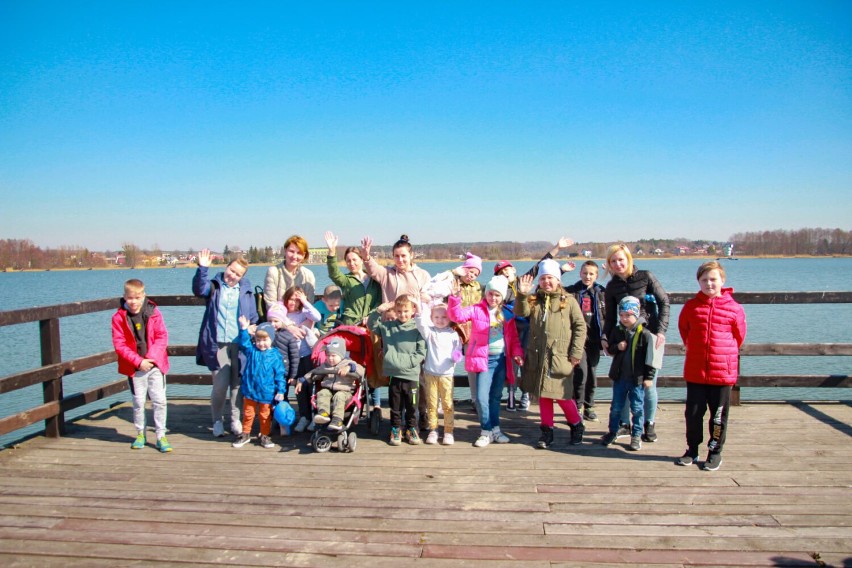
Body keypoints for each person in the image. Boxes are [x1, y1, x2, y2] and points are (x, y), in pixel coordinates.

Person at [676, 261, 747, 471]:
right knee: (693, 414)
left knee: (718, 416)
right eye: (704, 279)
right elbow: (685, 332)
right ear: (698, 281)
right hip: (696, 371)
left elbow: (739, 336)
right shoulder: (691, 307)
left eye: (713, 279)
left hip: (722, 373)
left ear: (722, 281)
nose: (709, 283)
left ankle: (715, 451)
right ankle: (692, 449)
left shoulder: (734, 308)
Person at [514, 261, 587, 449]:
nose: (546, 282)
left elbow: (580, 327)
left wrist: (576, 352)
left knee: (563, 395)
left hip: (560, 356)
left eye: (550, 278)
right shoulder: (533, 300)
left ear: (558, 280)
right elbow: (520, 312)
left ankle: (576, 425)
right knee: (543, 395)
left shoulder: (568, 300)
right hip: (538, 356)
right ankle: (547, 432)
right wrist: (522, 294)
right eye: (543, 278)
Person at [361, 234, 431, 430]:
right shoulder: (388, 275)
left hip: (414, 331)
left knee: (418, 376)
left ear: (411, 255)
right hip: (391, 332)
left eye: (403, 256)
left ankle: (421, 413)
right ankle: (397, 420)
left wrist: (415, 299)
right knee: (396, 378)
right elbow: (373, 269)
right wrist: (366, 257)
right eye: (396, 256)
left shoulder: (422, 275)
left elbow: (428, 296)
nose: (400, 260)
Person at [500, 237, 577, 412]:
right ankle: (511, 394)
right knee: (510, 365)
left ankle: (525, 395)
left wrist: (558, 250)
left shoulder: (523, 282)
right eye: (501, 272)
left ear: (514, 270)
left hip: (527, 329)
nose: (505, 274)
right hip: (509, 332)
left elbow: (543, 271)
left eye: (508, 270)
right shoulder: (497, 288)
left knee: (527, 362)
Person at [603, 243, 669, 443]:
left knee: (648, 383)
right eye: (613, 261)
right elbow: (610, 316)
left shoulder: (645, 277)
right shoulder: (612, 286)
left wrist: (661, 331)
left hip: (649, 336)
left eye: (621, 259)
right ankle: (624, 424)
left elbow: (664, 301)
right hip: (625, 338)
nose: (618, 264)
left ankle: (648, 423)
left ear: (629, 259)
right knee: (622, 381)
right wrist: (606, 337)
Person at [449, 275, 523, 448]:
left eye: (497, 295)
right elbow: (456, 315)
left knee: (495, 397)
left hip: (501, 361)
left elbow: (514, 339)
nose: (493, 298)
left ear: (502, 296)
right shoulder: (476, 310)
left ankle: (495, 430)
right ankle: (485, 431)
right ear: (485, 293)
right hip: (483, 361)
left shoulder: (507, 313)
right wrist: (454, 298)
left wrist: (518, 353)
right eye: (490, 294)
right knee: (481, 398)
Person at [193, 249, 258, 438]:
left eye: (238, 274)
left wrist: (252, 326)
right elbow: (199, 289)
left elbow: (253, 316)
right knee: (220, 385)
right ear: (226, 267)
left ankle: (235, 419)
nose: (233, 276)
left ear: (242, 277)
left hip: (239, 345)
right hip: (219, 344)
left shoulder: (246, 290)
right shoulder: (214, 286)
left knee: (237, 385)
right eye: (232, 270)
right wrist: (203, 268)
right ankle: (217, 420)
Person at [324, 231, 384, 412]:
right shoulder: (347, 280)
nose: (352, 263)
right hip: (351, 327)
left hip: (371, 327)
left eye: (355, 259)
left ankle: (376, 403)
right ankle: (351, 398)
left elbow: (379, 302)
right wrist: (332, 252)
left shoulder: (374, 279)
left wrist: (372, 315)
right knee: (353, 362)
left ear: (361, 259)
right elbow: (334, 274)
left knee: (373, 364)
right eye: (348, 260)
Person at [111, 278, 172, 453]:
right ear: (124, 297)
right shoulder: (118, 317)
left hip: (155, 365)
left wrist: (151, 359)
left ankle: (161, 435)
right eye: (130, 298)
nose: (134, 302)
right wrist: (139, 361)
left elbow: (162, 337)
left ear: (143, 296)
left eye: (137, 298)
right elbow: (119, 344)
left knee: (159, 401)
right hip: (134, 367)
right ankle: (140, 433)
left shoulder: (154, 312)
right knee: (138, 402)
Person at [600, 296, 659, 451]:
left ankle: (636, 436)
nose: (624, 318)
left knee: (637, 409)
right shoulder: (617, 331)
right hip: (619, 378)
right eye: (622, 315)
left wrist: (649, 377)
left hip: (637, 379)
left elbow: (651, 359)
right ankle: (613, 431)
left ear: (636, 315)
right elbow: (610, 349)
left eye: (628, 315)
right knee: (616, 407)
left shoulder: (645, 334)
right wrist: (616, 347)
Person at [367, 295, 426, 446]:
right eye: (399, 311)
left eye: (406, 311)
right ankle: (396, 428)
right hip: (394, 375)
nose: (403, 314)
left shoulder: (417, 327)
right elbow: (371, 324)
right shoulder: (388, 327)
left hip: (412, 375)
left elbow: (421, 352)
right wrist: (379, 310)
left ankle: (412, 428)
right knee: (396, 405)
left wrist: (407, 363)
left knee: (412, 405)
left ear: (412, 310)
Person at [232, 318, 286, 449]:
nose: (261, 344)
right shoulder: (252, 351)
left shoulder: (275, 355)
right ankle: (245, 434)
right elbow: (244, 343)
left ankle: (265, 435)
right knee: (248, 413)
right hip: (250, 389)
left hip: (267, 391)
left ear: (271, 339)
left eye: (265, 340)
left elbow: (280, 375)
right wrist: (244, 329)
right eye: (258, 340)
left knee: (265, 415)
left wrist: (281, 391)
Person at [415, 301, 463, 445]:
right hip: (430, 373)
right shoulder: (429, 332)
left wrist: (457, 356)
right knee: (432, 403)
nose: (440, 320)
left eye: (444, 317)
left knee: (448, 403)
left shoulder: (454, 334)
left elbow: (458, 351)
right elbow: (420, 324)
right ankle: (433, 429)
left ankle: (448, 431)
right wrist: (418, 309)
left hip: (447, 375)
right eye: (436, 317)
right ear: (431, 317)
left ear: (450, 318)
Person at [563, 260, 606, 421]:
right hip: (577, 340)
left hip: (595, 340)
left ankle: (589, 406)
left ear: (596, 275)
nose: (587, 276)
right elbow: (550, 288)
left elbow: (619, 297)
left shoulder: (602, 292)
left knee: (592, 374)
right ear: (580, 273)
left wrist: (613, 274)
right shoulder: (572, 291)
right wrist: (561, 271)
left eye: (591, 274)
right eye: (585, 273)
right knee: (580, 373)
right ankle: (577, 406)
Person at [276, 286, 321, 433]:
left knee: (309, 385)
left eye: (296, 300)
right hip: (291, 357)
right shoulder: (282, 313)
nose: (293, 303)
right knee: (297, 388)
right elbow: (273, 315)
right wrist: (288, 325)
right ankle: (304, 416)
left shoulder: (303, 313)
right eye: (291, 299)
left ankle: (314, 416)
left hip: (307, 354)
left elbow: (317, 316)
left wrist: (305, 301)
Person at [302, 338, 365, 432]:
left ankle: (337, 420)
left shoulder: (349, 363)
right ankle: (323, 413)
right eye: (328, 355)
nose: (330, 358)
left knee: (339, 396)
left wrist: (349, 368)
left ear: (341, 355)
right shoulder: (325, 365)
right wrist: (303, 379)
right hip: (328, 390)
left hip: (345, 392)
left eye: (333, 355)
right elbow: (315, 372)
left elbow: (361, 370)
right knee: (322, 392)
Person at [263, 235, 316, 309]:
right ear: (285, 250)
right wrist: (285, 320)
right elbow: (271, 304)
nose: (294, 256)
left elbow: (309, 306)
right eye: (291, 251)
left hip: (302, 319)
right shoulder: (273, 272)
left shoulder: (308, 275)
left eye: (299, 253)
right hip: (277, 317)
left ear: (304, 255)